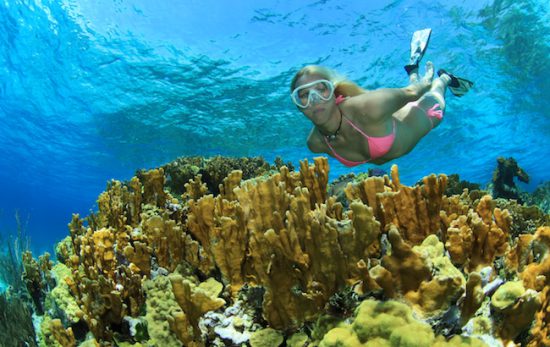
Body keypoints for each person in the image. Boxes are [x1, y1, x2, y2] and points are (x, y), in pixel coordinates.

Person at [290, 29, 473, 167]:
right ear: (299, 106)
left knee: (434, 95)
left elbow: (412, 93)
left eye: (321, 89)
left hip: (420, 115)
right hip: (389, 119)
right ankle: (412, 70)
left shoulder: (369, 106)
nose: (314, 99)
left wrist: (426, 83)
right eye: (304, 95)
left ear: (333, 92)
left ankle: (445, 78)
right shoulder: (315, 143)